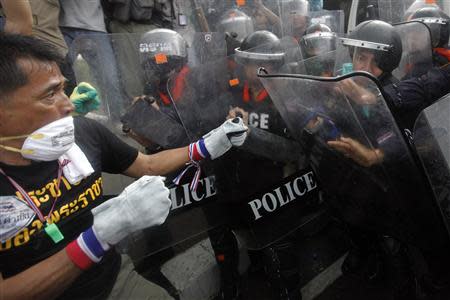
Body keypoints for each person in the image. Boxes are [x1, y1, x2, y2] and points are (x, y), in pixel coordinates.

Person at [0, 34, 248, 300]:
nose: (69, 104)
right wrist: (96, 239)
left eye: (63, 88)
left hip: (115, 282)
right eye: (50, 94)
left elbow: (148, 165)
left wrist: (207, 145)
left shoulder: (84, 133)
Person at [210, 30, 303, 300]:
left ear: (275, 66)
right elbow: (205, 124)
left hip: (273, 192)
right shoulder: (232, 93)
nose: (256, 69)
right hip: (237, 184)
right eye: (249, 62)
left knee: (280, 257)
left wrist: (252, 134)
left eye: (263, 63)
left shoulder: (286, 100)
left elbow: (293, 151)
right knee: (244, 242)